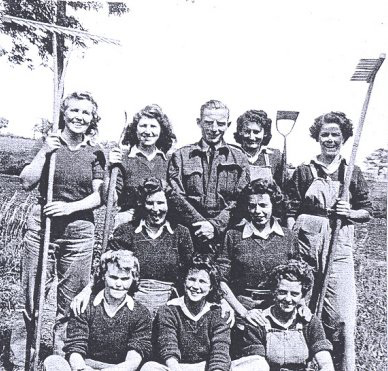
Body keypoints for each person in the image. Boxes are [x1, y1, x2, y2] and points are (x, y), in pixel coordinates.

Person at [10, 91, 106, 368]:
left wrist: (69, 207)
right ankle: (21, 361)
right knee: (31, 300)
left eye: (86, 113)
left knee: (70, 305)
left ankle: (60, 361)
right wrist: (44, 152)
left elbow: (98, 197)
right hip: (43, 229)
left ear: (92, 119)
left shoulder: (95, 152)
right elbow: (26, 181)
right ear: (63, 113)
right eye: (74, 110)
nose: (79, 117)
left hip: (78, 233)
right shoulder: (48, 144)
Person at [286, 111, 372, 371]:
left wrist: (350, 213)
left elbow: (366, 211)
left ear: (344, 138)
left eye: (336, 134)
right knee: (301, 305)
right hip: (306, 245)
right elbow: (290, 210)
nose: (330, 139)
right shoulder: (304, 170)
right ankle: (299, 363)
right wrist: (292, 243)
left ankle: (342, 366)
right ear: (317, 137)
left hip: (339, 246)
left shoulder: (351, 172)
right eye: (325, 134)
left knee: (342, 315)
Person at [71, 177, 194, 317]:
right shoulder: (127, 231)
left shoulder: (181, 233)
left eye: (160, 203)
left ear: (169, 204)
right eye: (150, 203)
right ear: (142, 204)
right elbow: (106, 266)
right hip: (132, 305)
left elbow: (190, 272)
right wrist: (87, 291)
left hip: (169, 306)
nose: (156, 209)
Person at [43, 250, 152, 371]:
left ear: (133, 279)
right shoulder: (85, 306)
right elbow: (75, 348)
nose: (118, 284)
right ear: (103, 276)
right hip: (86, 367)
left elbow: (134, 359)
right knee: (53, 361)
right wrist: (82, 368)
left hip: (120, 369)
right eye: (113, 277)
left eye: (125, 279)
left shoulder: (140, 313)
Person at [168, 100, 250, 255]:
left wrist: (215, 226)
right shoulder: (181, 156)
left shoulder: (239, 157)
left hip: (226, 234)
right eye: (208, 122)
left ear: (228, 124)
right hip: (190, 234)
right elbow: (176, 197)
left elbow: (241, 198)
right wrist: (200, 225)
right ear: (199, 123)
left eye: (220, 123)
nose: (214, 129)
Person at [217, 179, 298, 327]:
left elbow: (298, 278)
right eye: (252, 206)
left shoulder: (289, 237)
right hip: (243, 308)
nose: (257, 211)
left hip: (279, 309)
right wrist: (243, 312)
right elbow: (220, 280)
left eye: (263, 205)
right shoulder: (233, 235)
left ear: (274, 205)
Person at [140, 254, 239, 371]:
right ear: (184, 281)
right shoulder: (169, 310)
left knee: (254, 363)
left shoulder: (219, 313)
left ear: (211, 287)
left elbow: (220, 353)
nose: (195, 286)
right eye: (191, 279)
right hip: (176, 367)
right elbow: (168, 347)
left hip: (206, 367)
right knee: (149, 367)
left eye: (202, 282)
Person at [239, 260, 334, 371]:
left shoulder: (309, 321)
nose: (288, 299)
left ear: (302, 295)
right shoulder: (259, 322)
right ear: (274, 292)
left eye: (294, 294)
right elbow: (257, 364)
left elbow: (325, 362)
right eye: (282, 292)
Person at [108, 104, 176, 228]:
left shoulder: (169, 161)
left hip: (160, 222)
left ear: (161, 130)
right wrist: (110, 168)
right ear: (135, 129)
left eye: (153, 126)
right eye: (143, 126)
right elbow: (111, 199)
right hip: (129, 222)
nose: (148, 131)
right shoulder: (123, 160)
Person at [234, 109, 283, 186]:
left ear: (265, 133)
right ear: (240, 132)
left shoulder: (275, 157)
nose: (251, 137)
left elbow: (283, 189)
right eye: (247, 131)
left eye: (256, 132)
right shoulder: (233, 156)